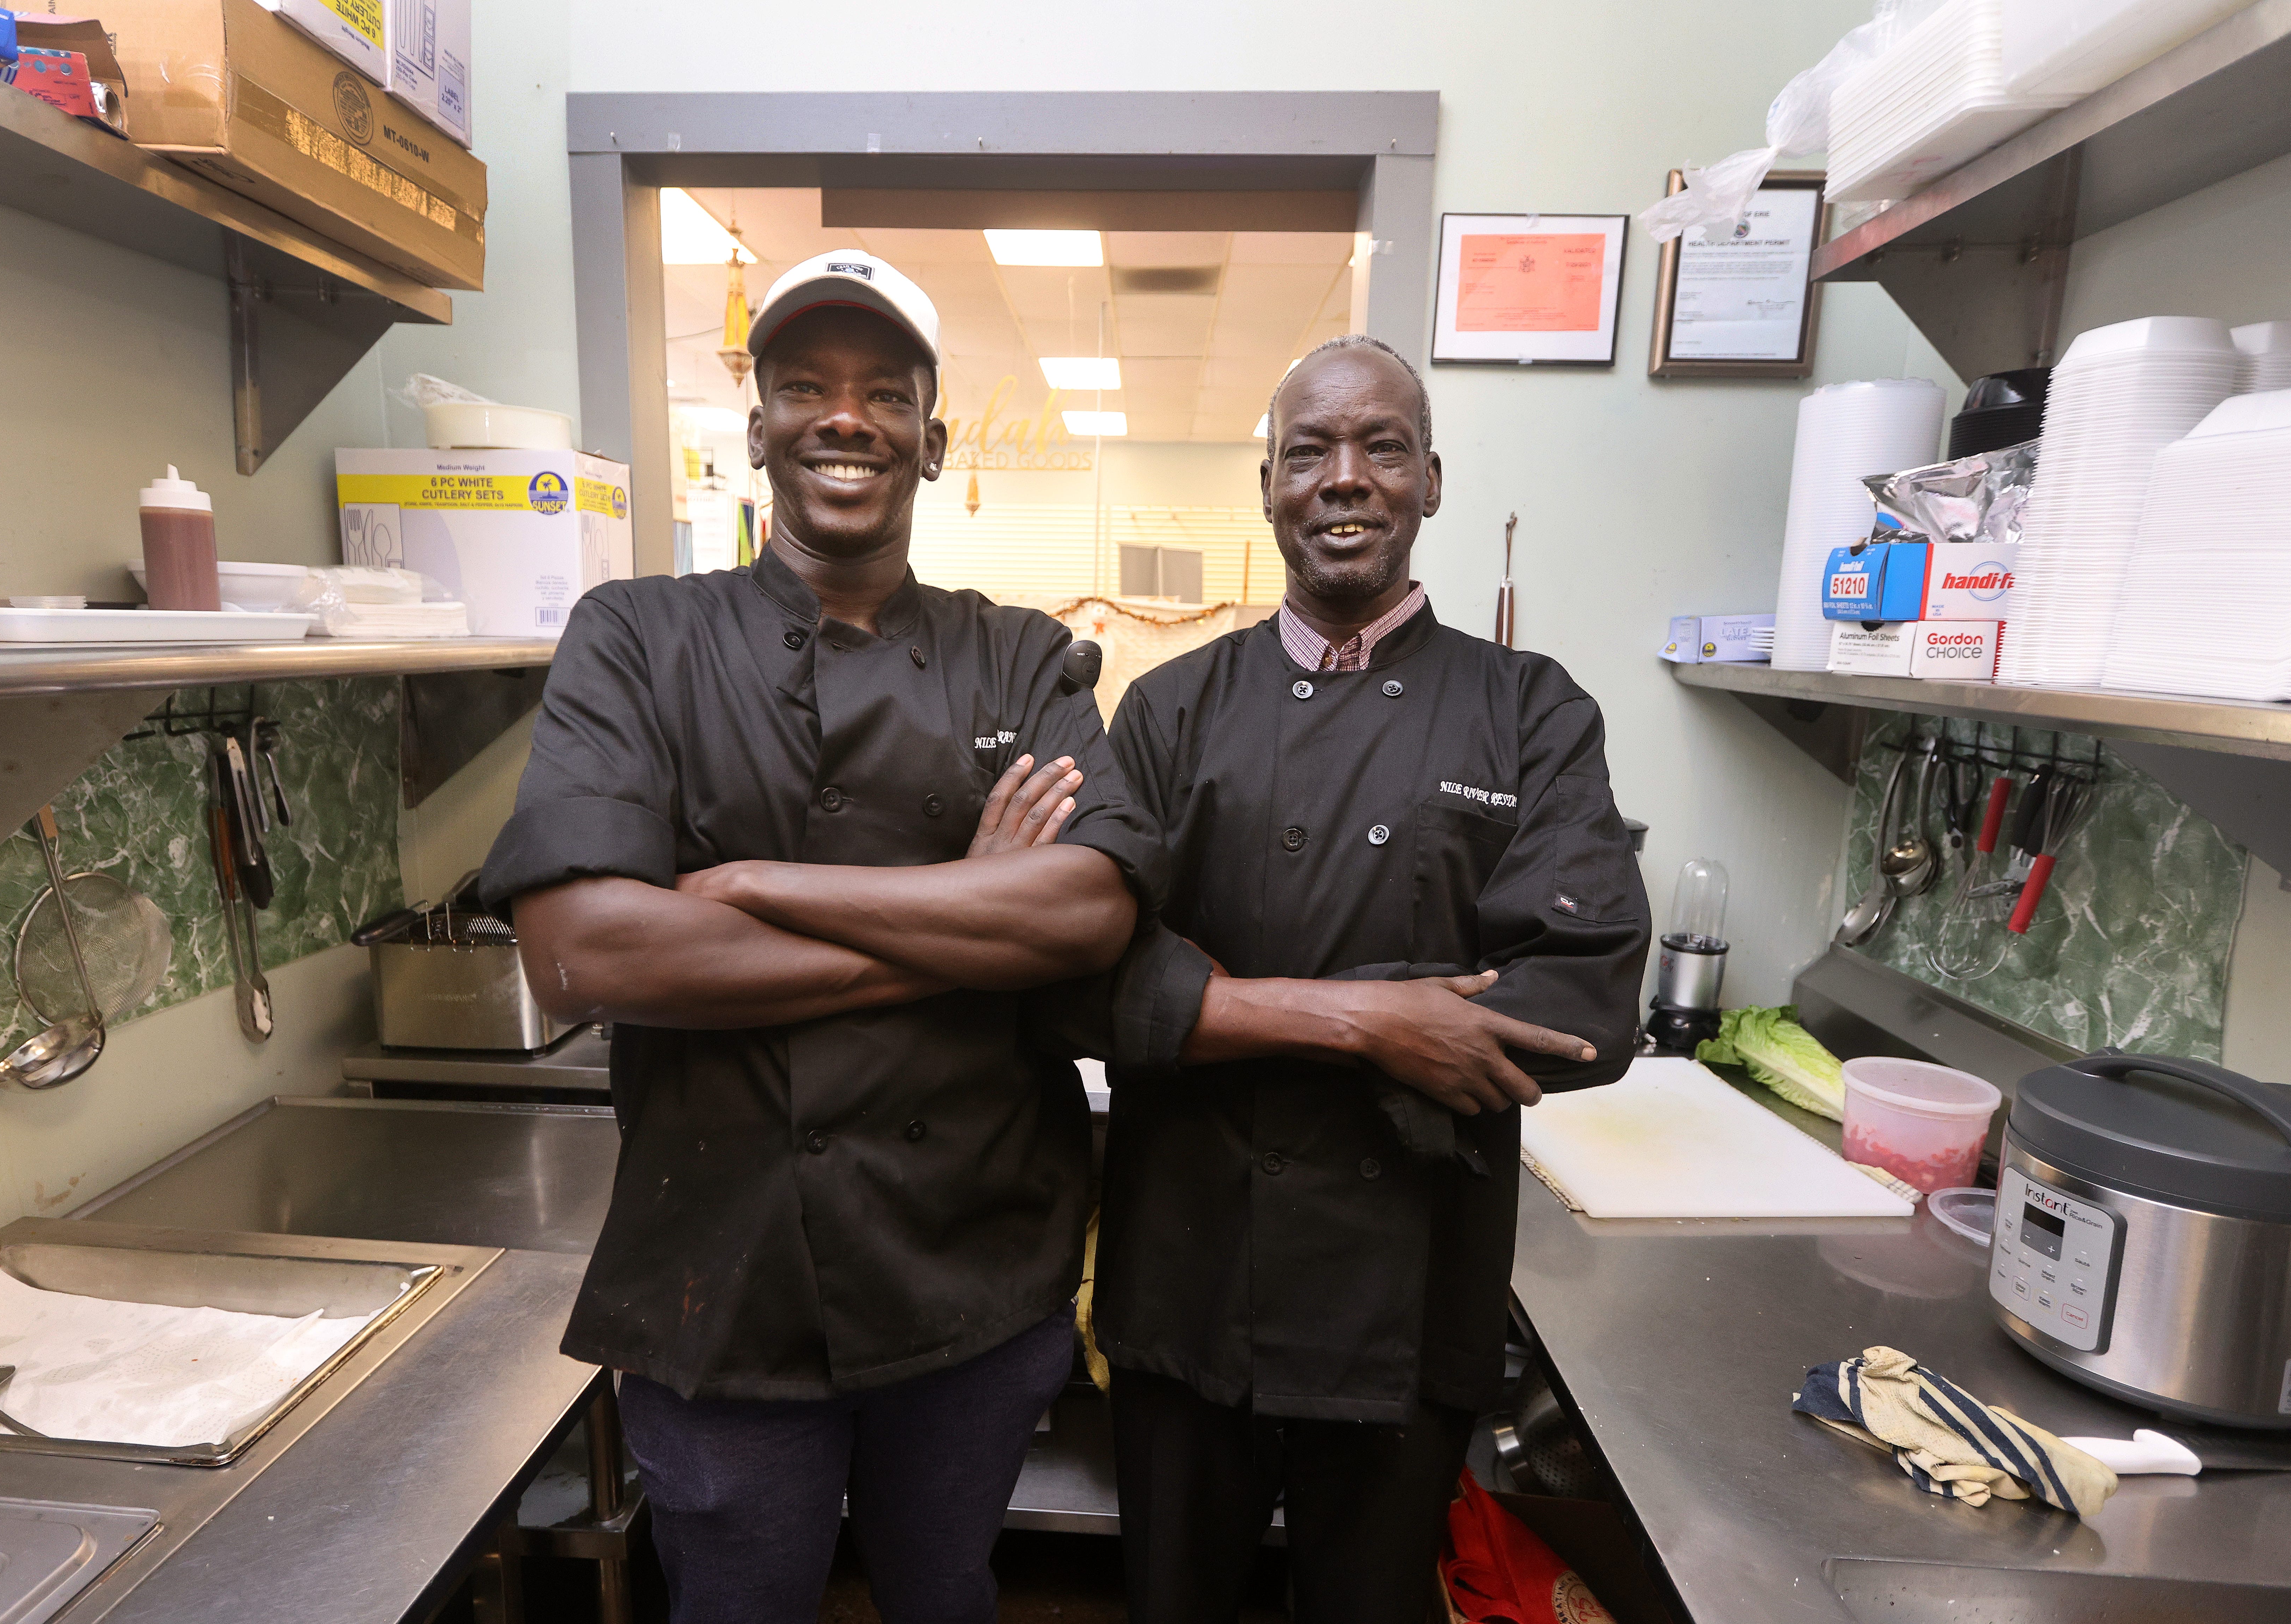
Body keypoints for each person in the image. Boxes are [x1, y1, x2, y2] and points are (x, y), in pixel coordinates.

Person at [478, 251, 1165, 1624]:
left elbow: (1088, 906)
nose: (843, 416)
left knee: (945, 1591)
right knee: (736, 1602)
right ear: (758, 427)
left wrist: (748, 890)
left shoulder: (1022, 656)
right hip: (722, 1270)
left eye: (883, 392)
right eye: (805, 386)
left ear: (932, 435)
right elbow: (587, 955)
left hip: (973, 1259)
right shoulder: (637, 636)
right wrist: (966, 916)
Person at [1064, 334, 1652, 1622]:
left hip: (1410, 1281)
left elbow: (1582, 1002)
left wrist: (1216, 998)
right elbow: (1082, 977)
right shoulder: (1168, 711)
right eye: (1310, 451)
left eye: (1380, 446)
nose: (1345, 477)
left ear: (1429, 481)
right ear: (1267, 483)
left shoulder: (1532, 712)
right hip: (1189, 1271)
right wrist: (1385, 1020)